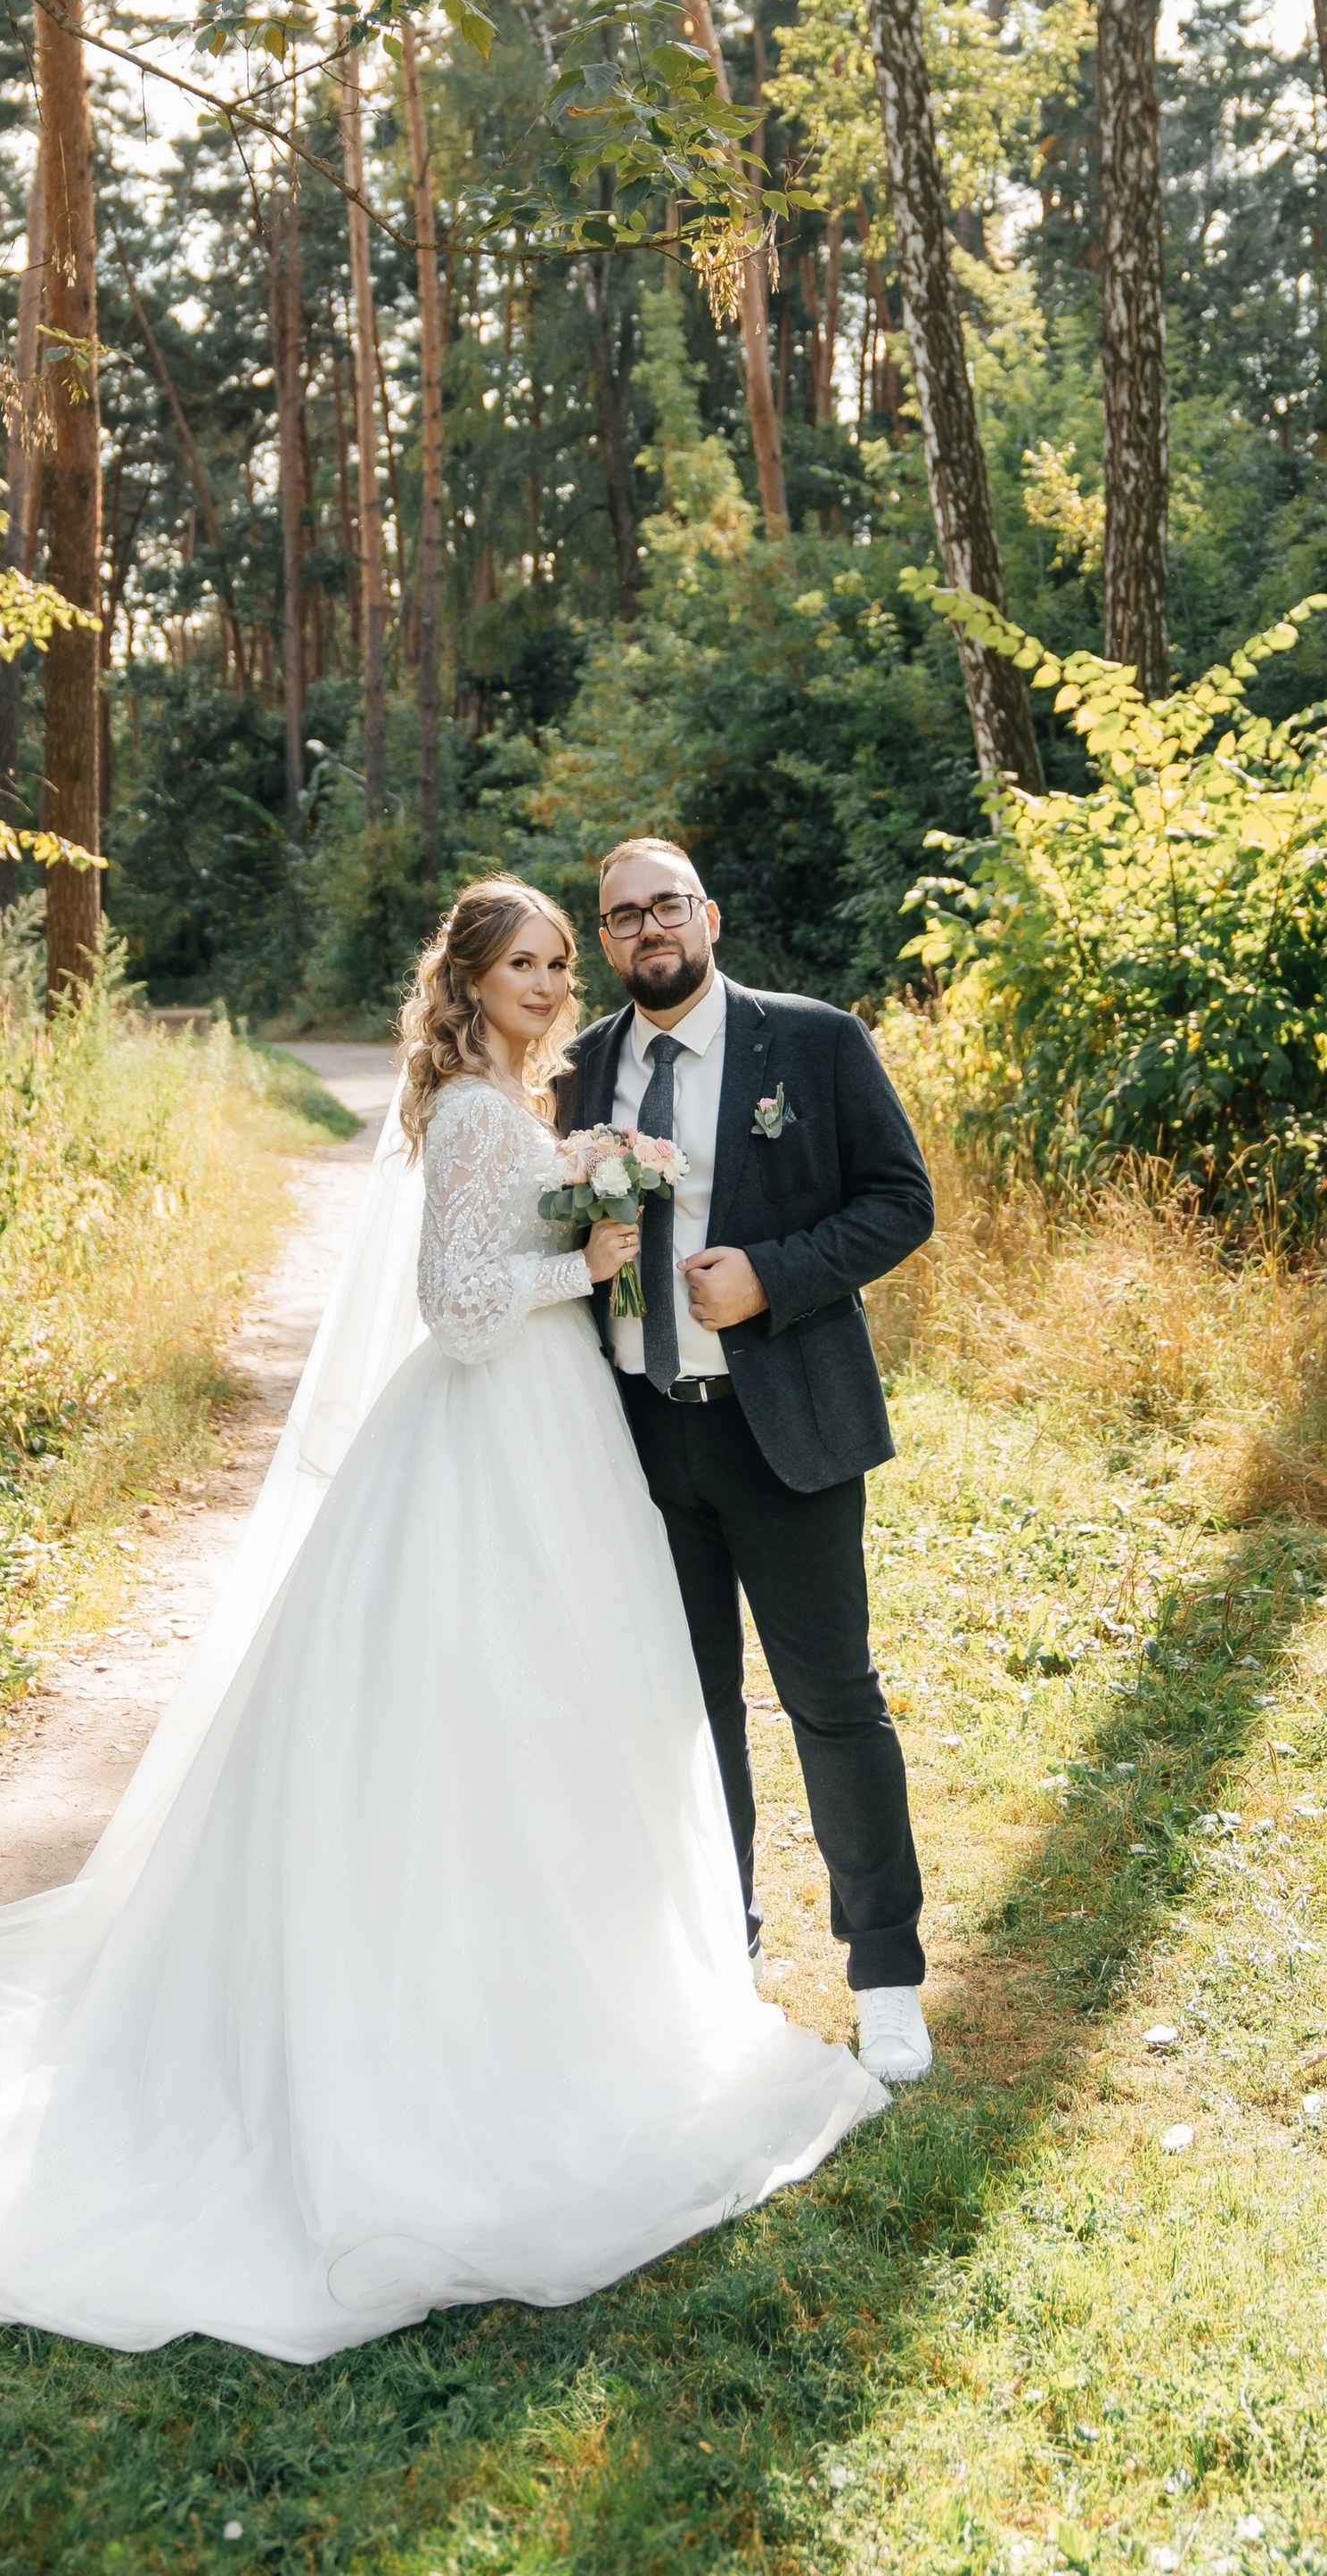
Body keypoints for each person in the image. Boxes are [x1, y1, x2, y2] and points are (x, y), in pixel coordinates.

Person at [0, 877, 887, 2365]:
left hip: (550, 1439)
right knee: (489, 1717)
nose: (549, 984)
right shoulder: (481, 1111)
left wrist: (588, 1216)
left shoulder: (512, 1097)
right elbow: (459, 1307)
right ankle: (488, 2031)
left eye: (558, 959)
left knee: (566, 1715)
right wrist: (587, 1261)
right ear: (469, 982)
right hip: (486, 1443)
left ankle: (601, 1984)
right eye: (524, 963)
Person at [557, 840, 937, 2086]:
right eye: (622, 917)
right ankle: (724, 1952)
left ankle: (883, 1972)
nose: (648, 930)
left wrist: (771, 1275)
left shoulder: (812, 1042)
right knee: (687, 1710)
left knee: (832, 1700)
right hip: (638, 1435)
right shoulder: (578, 1071)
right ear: (604, 941)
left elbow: (900, 1201)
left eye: (666, 905)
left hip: (785, 1427)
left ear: (708, 913)